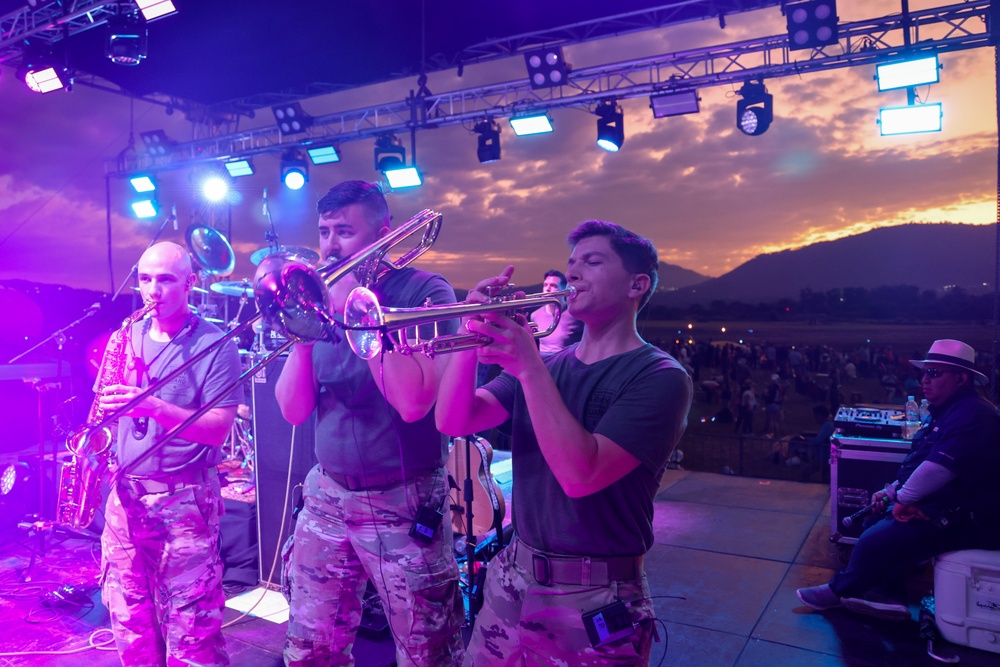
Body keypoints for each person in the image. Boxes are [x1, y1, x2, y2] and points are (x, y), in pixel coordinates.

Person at [436, 220, 693, 665]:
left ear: (637, 284)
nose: (572, 274)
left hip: (595, 594)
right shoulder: (549, 364)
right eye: (571, 263)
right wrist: (468, 331)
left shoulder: (660, 377)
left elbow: (581, 474)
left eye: (592, 262)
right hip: (512, 577)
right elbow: (455, 418)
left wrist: (529, 367)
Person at [274, 181, 464, 666]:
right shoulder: (319, 299)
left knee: (427, 651)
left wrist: (356, 312)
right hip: (327, 495)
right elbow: (293, 411)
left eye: (345, 231)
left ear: (383, 234)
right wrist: (303, 330)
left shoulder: (424, 291)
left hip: (402, 497)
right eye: (324, 232)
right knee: (310, 648)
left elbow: (414, 402)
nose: (331, 245)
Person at [97, 241, 243, 666]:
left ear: (190, 284)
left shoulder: (216, 344)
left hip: (185, 502)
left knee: (191, 628)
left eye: (165, 280)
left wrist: (154, 405)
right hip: (125, 498)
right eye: (144, 279)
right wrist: (94, 448)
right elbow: (106, 409)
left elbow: (218, 429)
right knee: (129, 618)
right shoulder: (125, 334)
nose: (152, 291)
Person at [797, 339, 1000, 621]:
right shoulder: (949, 411)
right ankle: (887, 596)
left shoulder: (974, 414)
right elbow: (920, 461)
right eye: (925, 372)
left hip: (973, 519)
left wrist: (902, 501)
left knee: (876, 539)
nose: (925, 380)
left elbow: (938, 469)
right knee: (874, 521)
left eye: (935, 373)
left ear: (962, 378)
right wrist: (892, 493)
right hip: (948, 505)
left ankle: (838, 591)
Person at [529, 269, 582, 355]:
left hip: (566, 364)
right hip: (543, 364)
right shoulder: (535, 315)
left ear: (564, 289)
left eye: (553, 286)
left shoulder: (575, 314)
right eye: (545, 285)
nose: (548, 289)